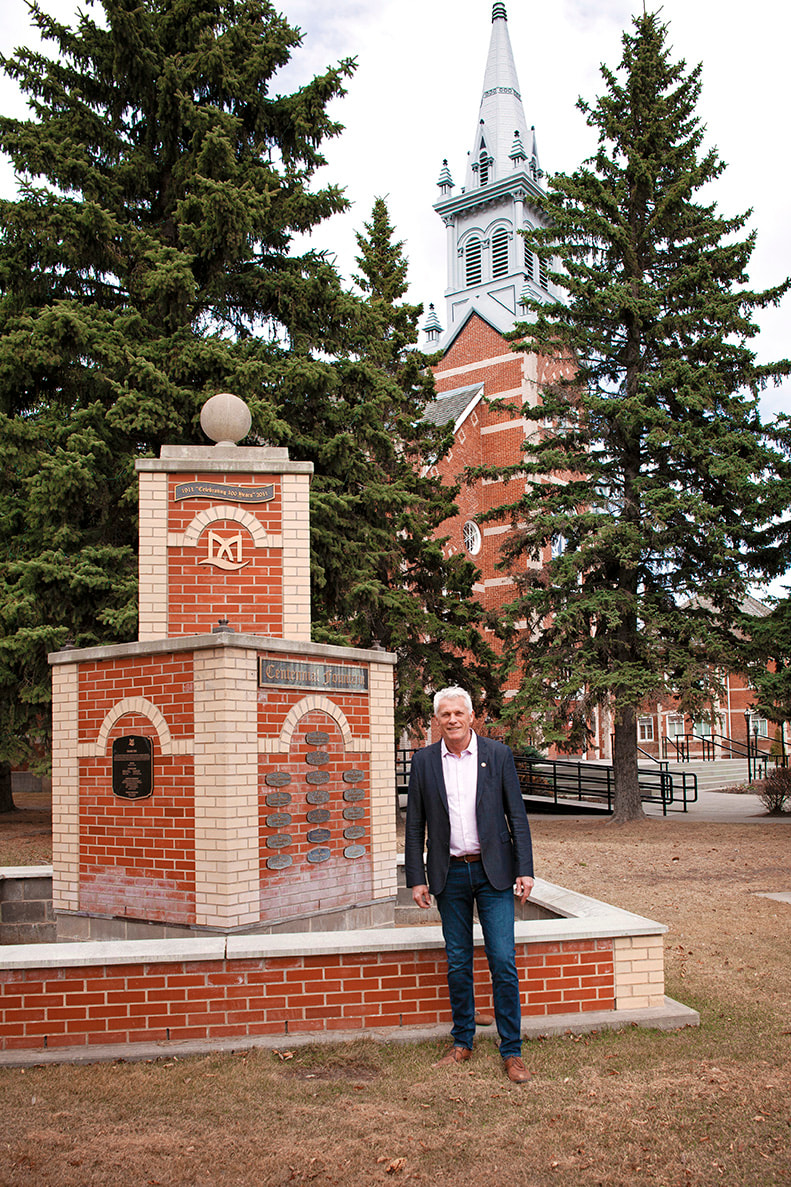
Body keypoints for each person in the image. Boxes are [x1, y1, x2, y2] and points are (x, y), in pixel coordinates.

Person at [404, 686, 534, 1084]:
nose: (453, 720)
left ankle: (511, 1050)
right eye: (445, 714)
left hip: (493, 872)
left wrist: (524, 869)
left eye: (459, 712)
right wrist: (417, 878)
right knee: (458, 960)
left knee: (502, 960)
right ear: (437, 720)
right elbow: (414, 825)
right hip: (449, 874)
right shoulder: (424, 761)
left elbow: (518, 815)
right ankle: (463, 1040)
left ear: (471, 716)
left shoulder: (497, 756)